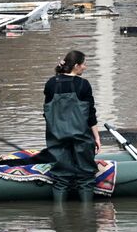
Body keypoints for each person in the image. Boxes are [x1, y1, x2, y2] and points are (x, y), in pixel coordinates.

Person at [42, 50, 103, 198]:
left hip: (56, 139)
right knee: (86, 179)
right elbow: (91, 115)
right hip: (81, 138)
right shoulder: (83, 85)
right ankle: (87, 217)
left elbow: (47, 113)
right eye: (84, 64)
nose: (85, 67)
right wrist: (97, 137)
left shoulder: (51, 83)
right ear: (76, 65)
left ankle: (59, 217)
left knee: (60, 180)